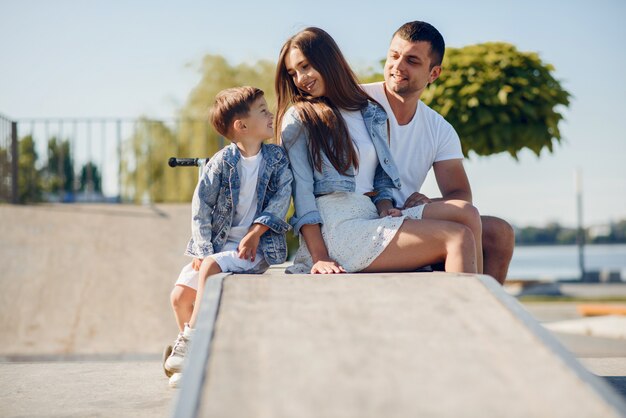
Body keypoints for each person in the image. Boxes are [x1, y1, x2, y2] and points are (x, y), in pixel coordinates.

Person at [276, 27, 480, 275]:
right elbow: (302, 192)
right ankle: (471, 312)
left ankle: (474, 310)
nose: (300, 78)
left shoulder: (369, 111)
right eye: (293, 73)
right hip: (336, 227)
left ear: (328, 59)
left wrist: (385, 207)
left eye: (305, 66)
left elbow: (379, 178)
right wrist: (320, 257)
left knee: (465, 213)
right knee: (456, 237)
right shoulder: (299, 118)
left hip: (373, 216)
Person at [361, 21, 515, 284]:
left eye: (412, 60)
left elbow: (460, 195)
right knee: (461, 229)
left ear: (434, 74)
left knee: (500, 233)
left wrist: (427, 203)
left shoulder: (439, 128)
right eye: (394, 56)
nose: (398, 67)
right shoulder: (357, 103)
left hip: (407, 217)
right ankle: (470, 307)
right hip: (366, 219)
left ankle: (487, 313)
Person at [164, 86, 293, 388]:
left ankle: (190, 344)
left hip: (255, 249)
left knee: (211, 268)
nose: (271, 114)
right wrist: (203, 249)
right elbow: (201, 208)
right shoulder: (221, 163)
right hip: (218, 248)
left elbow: (281, 199)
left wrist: (256, 232)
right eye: (263, 110)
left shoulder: (276, 159)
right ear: (242, 126)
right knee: (180, 296)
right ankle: (194, 360)